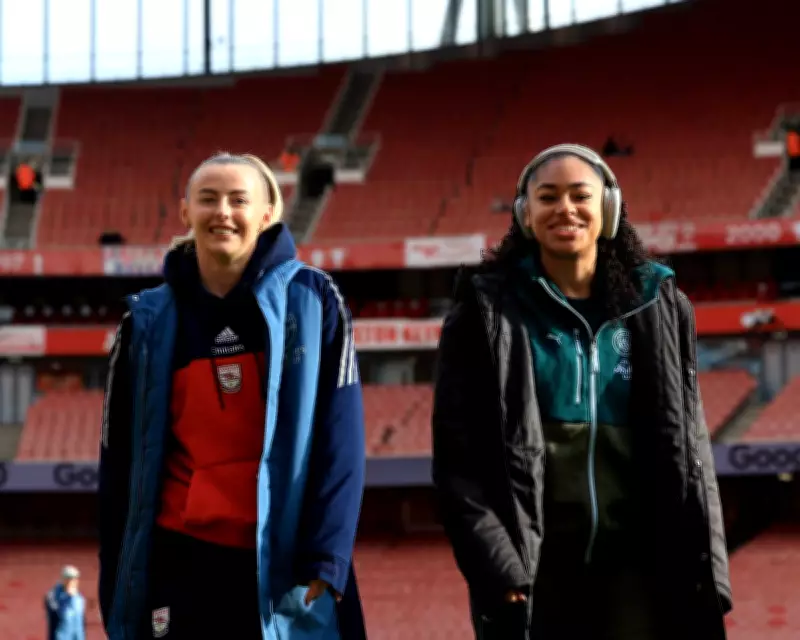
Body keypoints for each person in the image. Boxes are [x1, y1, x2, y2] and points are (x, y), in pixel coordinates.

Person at [432, 143, 731, 639]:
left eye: (580, 195)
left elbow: (692, 452)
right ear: (525, 214)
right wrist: (499, 567)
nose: (564, 208)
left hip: (640, 574)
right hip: (535, 578)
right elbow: (458, 463)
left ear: (608, 207)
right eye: (548, 197)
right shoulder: (484, 315)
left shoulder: (659, 305)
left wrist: (710, 571)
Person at [98, 152, 367, 640]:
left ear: (267, 214)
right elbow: (119, 463)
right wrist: (117, 579)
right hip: (180, 559)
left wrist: (328, 557)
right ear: (186, 211)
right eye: (208, 199)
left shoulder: (313, 300)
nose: (223, 211)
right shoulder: (144, 322)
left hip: (285, 563)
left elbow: (341, 439)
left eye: (239, 200)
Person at [45, 565, 86, 640]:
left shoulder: (79, 598)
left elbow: (81, 622)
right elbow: (55, 614)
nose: (73, 582)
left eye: (75, 579)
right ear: (64, 579)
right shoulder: (53, 595)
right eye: (70, 579)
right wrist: (66, 597)